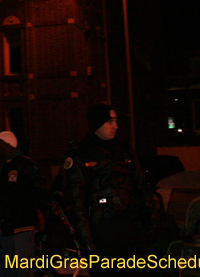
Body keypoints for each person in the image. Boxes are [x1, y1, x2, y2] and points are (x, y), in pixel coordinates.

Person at [63, 104, 151, 275]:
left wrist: (152, 223)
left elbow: (143, 187)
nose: (115, 127)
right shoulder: (81, 154)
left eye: (116, 121)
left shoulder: (124, 150)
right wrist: (88, 241)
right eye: (110, 122)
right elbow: (75, 202)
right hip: (102, 231)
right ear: (97, 124)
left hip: (131, 229)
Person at [0, 131, 45, 277]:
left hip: (16, 230)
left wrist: (31, 217)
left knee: (21, 269)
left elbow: (39, 191)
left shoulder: (24, 165)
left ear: (8, 146)